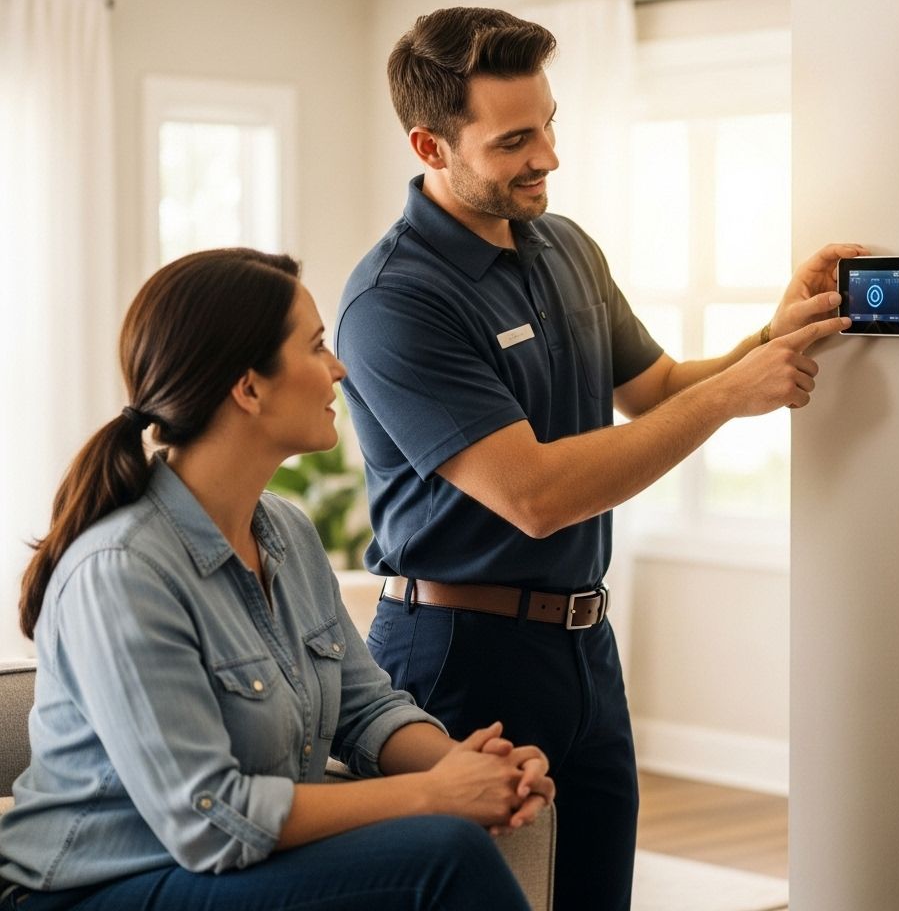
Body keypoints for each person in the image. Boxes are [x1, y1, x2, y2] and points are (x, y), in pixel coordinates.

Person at [334, 6, 864, 911]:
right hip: (459, 657)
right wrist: (733, 396)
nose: (547, 156)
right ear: (430, 145)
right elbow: (533, 496)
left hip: (584, 650)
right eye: (514, 141)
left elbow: (657, 388)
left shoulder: (566, 245)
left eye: (548, 125)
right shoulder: (394, 303)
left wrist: (773, 331)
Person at [0, 247, 553, 911]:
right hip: (99, 889)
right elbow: (208, 821)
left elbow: (366, 709)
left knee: (445, 840)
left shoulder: (286, 533)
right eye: (317, 347)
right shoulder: (122, 573)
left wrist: (465, 768)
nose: (338, 369)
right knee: (443, 853)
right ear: (249, 387)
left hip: (226, 873)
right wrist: (431, 796)